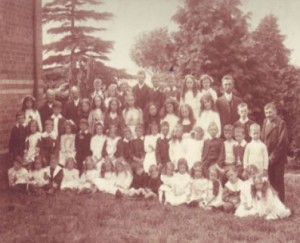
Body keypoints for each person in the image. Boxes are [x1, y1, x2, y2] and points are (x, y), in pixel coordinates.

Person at [261, 102, 289, 202]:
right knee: (270, 180)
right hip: (267, 157)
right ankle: (272, 202)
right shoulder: (265, 122)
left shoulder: (280, 123)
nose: (268, 115)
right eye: (266, 113)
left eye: (270, 112)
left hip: (278, 159)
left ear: (275, 112)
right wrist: (264, 156)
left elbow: (282, 144)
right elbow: (263, 139)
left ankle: (280, 203)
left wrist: (272, 157)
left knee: (278, 181)